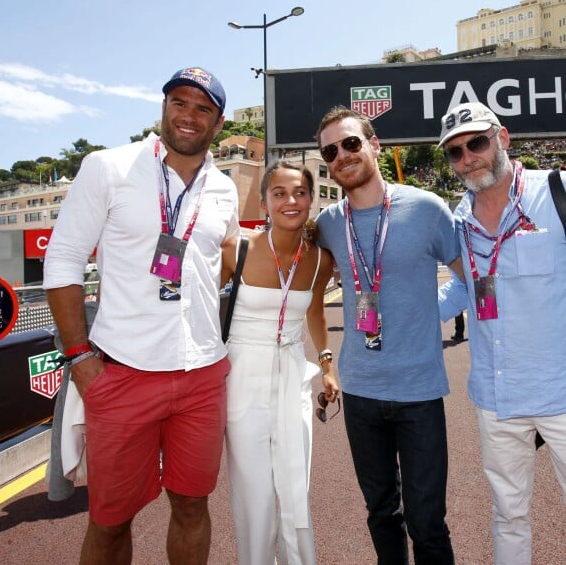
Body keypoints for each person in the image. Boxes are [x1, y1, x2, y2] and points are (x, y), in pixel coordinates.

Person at [43, 67, 239, 565]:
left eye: (202, 108)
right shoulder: (108, 166)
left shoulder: (224, 187)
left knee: (193, 506)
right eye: (179, 102)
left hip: (201, 375)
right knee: (110, 520)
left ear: (218, 122)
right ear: (163, 107)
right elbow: (63, 260)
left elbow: (228, 256)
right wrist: (79, 359)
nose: (188, 116)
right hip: (122, 372)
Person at [314, 106, 460, 565]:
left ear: (374, 145)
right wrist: (324, 361)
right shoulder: (328, 224)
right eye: (331, 151)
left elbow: (467, 277)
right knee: (380, 514)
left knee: (427, 523)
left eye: (351, 143)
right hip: (360, 393)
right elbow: (310, 293)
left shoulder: (427, 208)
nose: (342, 155)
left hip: (419, 393)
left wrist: (429, 315)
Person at [437, 101, 566, 565]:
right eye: (455, 152)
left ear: (502, 138)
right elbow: (462, 290)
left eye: (476, 142)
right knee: (508, 515)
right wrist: (408, 320)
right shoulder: (458, 219)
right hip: (497, 397)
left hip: (562, 392)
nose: (468, 157)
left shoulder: (557, 192)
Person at [221, 160, 340, 565]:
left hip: (292, 373)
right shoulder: (234, 249)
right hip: (241, 376)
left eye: (300, 193)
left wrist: (326, 364)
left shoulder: (321, 260)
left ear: (311, 199)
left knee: (294, 481)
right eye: (279, 193)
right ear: (264, 201)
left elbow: (316, 313)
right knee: (253, 491)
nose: (291, 201)